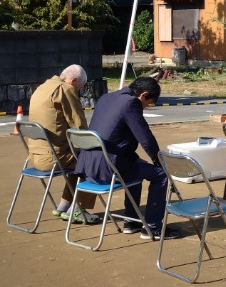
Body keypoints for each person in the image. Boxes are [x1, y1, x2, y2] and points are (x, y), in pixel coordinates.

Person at [74, 77, 177, 240]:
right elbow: (146, 138)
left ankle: (131, 221)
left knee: (136, 169)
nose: (145, 107)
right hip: (108, 168)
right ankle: (153, 227)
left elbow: (112, 136)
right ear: (143, 95)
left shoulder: (106, 98)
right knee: (160, 174)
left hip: (88, 166)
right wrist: (159, 161)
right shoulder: (131, 103)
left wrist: (136, 158)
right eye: (148, 103)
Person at [28, 64, 100, 224]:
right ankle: (79, 209)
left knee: (79, 158)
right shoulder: (65, 89)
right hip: (53, 159)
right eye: (80, 88)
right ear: (73, 81)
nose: (79, 91)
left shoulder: (43, 87)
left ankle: (64, 206)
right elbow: (80, 127)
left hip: (34, 157)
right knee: (93, 161)